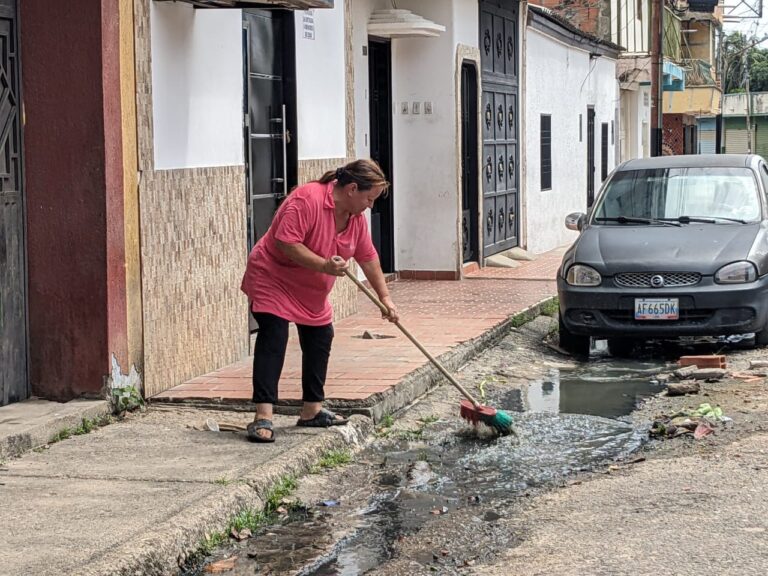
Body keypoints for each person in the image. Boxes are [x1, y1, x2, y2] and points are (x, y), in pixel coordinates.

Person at [240, 159, 399, 443]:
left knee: (321, 336)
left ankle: (311, 410)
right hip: (273, 276)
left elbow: (368, 256)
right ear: (352, 189)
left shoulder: (355, 219)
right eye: (369, 198)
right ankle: (263, 415)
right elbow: (285, 243)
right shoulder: (306, 199)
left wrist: (384, 298)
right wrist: (324, 266)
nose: (370, 205)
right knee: (273, 334)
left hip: (310, 289)